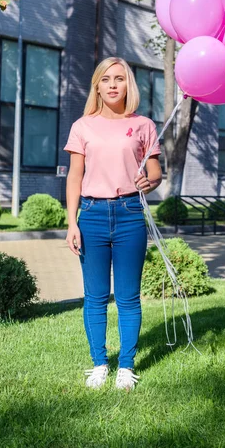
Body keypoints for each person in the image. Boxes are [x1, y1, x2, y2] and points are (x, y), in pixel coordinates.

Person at [64, 57, 162, 391]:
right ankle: (98, 364)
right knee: (94, 296)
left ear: (127, 85)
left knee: (128, 297)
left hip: (130, 215)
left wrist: (152, 181)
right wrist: (71, 223)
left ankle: (126, 366)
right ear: (97, 85)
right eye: (105, 79)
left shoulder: (144, 125)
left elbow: (155, 171)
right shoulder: (83, 126)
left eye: (119, 79)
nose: (112, 85)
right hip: (90, 216)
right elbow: (75, 176)